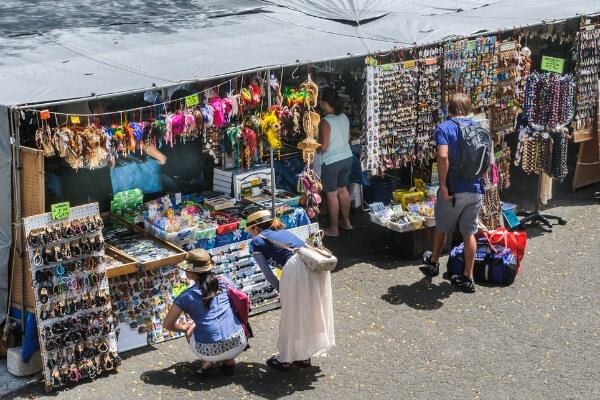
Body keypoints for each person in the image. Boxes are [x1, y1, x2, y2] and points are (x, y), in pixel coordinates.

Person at [246, 210, 335, 371]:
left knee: (291, 314)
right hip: (313, 264)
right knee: (311, 310)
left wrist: (281, 290)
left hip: (295, 269)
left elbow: (267, 273)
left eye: (250, 231)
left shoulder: (257, 242)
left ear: (256, 228)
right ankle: (305, 355)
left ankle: (285, 358)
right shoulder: (282, 232)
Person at [421, 93, 485, 293]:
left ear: (449, 109)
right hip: (475, 188)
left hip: (455, 189)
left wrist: (444, 184)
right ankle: (468, 277)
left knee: (441, 225)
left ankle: (433, 262)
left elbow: (442, 155)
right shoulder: (479, 128)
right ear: (469, 109)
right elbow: (486, 158)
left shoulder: (444, 128)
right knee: (469, 233)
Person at [163, 249, 247, 375]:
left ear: (190, 273)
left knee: (191, 327)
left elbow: (167, 324)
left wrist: (184, 329)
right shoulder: (224, 281)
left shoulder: (185, 296)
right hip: (239, 343)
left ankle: (206, 361)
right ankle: (229, 360)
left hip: (209, 351)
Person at [318, 88, 354, 237]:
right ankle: (346, 222)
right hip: (347, 158)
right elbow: (347, 138)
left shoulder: (325, 122)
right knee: (343, 190)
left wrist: (313, 145)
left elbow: (324, 146)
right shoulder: (344, 117)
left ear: (325, 103)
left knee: (332, 195)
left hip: (332, 161)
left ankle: (334, 229)